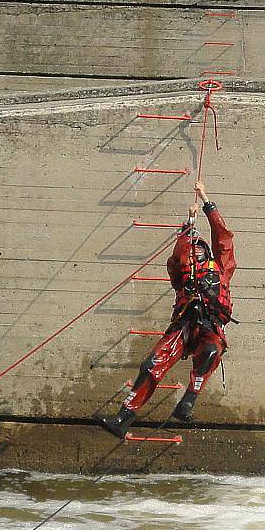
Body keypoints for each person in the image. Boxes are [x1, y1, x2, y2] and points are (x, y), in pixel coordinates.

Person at [97, 180, 236, 438]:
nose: (196, 247)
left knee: (210, 353)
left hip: (210, 327)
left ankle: (188, 401)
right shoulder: (180, 271)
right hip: (184, 326)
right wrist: (188, 224)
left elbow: (223, 236)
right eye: (192, 246)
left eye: (199, 245)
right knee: (152, 364)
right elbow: (178, 255)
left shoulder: (222, 268)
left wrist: (206, 202)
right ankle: (123, 417)